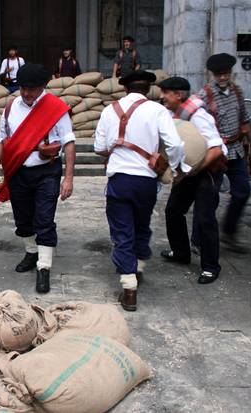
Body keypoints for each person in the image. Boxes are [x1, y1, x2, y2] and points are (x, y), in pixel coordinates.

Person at [94, 70, 185, 311]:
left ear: (124, 89)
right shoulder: (158, 111)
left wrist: (117, 146)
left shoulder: (108, 110)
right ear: (148, 90)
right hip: (146, 181)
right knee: (142, 224)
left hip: (119, 180)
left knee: (123, 231)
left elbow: (99, 146)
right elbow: (175, 144)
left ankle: (129, 288)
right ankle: (139, 267)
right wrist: (176, 167)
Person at [0, 63, 76, 293]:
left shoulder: (55, 108)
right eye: (22, 88)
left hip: (47, 172)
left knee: (44, 220)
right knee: (23, 218)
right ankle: (31, 252)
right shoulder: (10, 108)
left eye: (32, 89)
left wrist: (68, 178)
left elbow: (68, 142)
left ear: (43, 87)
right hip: (18, 171)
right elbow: (1, 139)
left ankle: (44, 268)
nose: (26, 93)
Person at [158, 76, 226, 285]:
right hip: (188, 172)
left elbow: (216, 149)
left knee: (205, 218)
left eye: (165, 93)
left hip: (207, 172)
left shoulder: (199, 115)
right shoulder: (171, 115)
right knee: (173, 211)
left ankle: (210, 266)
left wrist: (192, 171)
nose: (162, 97)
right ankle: (181, 253)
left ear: (179, 95)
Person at [191, 53, 251, 254]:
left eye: (226, 73)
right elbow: (189, 119)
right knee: (208, 196)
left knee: (242, 191)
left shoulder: (237, 92)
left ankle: (228, 231)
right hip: (215, 153)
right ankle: (197, 239)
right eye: (219, 74)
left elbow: (245, 122)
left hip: (236, 150)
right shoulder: (203, 95)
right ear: (212, 74)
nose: (223, 78)